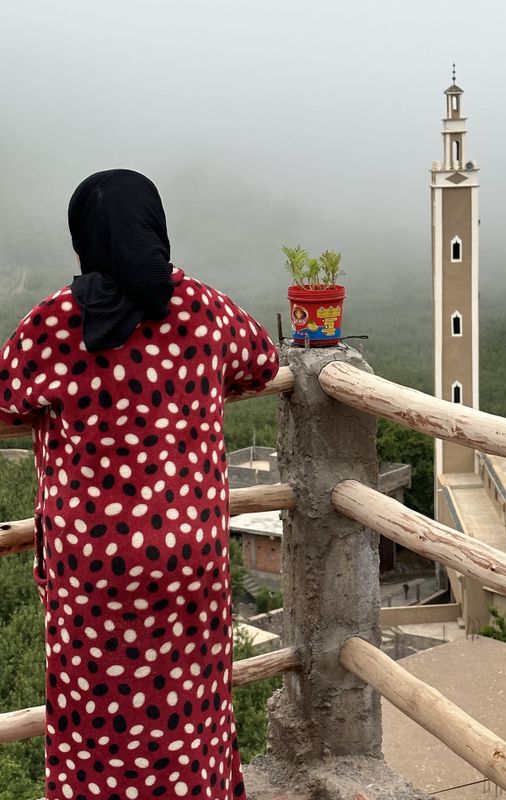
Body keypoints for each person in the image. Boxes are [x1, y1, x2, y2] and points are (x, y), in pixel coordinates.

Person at [0, 169, 279, 800]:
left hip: (91, 568)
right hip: (189, 556)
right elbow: (263, 361)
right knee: (192, 713)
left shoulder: (54, 326)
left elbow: (7, 400)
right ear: (157, 234)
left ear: (83, 246)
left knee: (93, 719)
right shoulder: (206, 312)